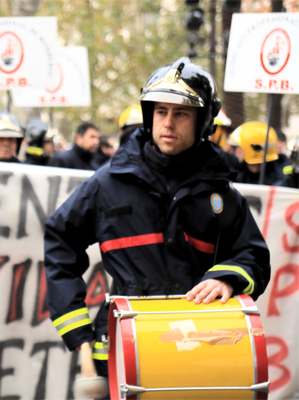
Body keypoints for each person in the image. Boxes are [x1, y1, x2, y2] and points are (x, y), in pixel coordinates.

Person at [44, 57, 270, 387]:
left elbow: (254, 257)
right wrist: (79, 336)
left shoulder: (222, 194)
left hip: (203, 349)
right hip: (123, 350)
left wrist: (227, 279)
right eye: (160, 112)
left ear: (203, 120)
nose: (168, 123)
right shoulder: (107, 184)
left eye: (181, 113)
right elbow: (59, 242)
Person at [229, 121, 287, 186]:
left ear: (253, 150)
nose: (236, 151)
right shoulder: (235, 175)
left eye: (239, 147)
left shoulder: (279, 182)